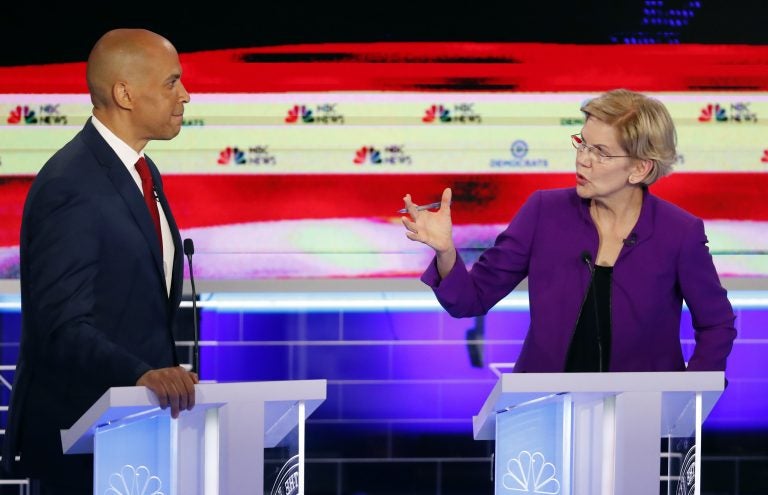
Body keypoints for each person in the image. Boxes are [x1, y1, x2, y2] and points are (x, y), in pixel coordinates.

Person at [401, 89, 736, 374]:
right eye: (582, 144)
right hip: (543, 412)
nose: (582, 160)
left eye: (600, 152)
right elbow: (470, 300)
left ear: (639, 168)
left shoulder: (679, 233)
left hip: (639, 417)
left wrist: (687, 396)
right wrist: (446, 251)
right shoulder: (543, 212)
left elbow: (716, 324)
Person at [1, 29, 198, 494]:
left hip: (137, 435)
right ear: (124, 93)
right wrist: (141, 374)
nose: (185, 95)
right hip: (84, 441)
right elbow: (61, 326)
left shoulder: (141, 172)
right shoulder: (71, 183)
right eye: (172, 82)